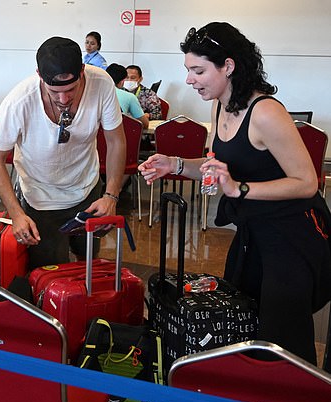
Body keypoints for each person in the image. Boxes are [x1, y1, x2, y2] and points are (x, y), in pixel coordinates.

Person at [138, 22, 331, 365]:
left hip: (291, 239)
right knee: (247, 324)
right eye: (188, 70)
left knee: (282, 342)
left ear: (228, 66)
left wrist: (238, 188)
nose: (189, 80)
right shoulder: (220, 105)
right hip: (253, 235)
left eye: (198, 71)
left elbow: (306, 182)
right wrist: (175, 164)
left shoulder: (266, 112)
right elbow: (217, 166)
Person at [0, 36, 126, 269]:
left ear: (82, 71)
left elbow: (116, 141)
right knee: (49, 273)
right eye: (54, 92)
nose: (63, 99)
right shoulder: (20, 100)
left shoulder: (101, 83)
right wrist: (16, 213)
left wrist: (111, 195)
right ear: (40, 75)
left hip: (87, 189)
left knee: (88, 263)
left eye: (70, 90)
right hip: (40, 198)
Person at [105, 63, 149, 129]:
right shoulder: (129, 97)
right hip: (119, 134)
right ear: (122, 81)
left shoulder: (95, 93)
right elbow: (145, 124)